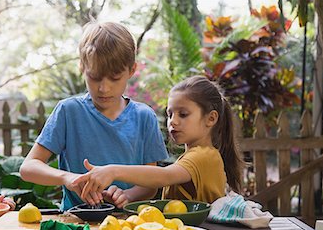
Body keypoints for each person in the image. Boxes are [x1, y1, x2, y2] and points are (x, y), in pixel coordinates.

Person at [20, 21, 168, 210]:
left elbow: (151, 182)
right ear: (82, 68)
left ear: (131, 70)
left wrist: (127, 195)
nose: (103, 88)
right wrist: (68, 178)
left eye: (114, 78)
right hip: (75, 224)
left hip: (129, 226)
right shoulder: (68, 111)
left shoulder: (144, 117)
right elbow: (28, 167)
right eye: (95, 77)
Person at [73, 75, 244, 203]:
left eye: (183, 114)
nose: (173, 121)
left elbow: (164, 176)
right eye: (170, 114)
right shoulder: (194, 156)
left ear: (211, 119)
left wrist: (112, 171)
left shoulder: (204, 156)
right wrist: (125, 195)